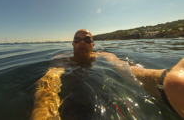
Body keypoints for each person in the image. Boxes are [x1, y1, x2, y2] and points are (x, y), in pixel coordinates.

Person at [31, 29, 184, 120]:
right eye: (77, 39)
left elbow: (123, 67)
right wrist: (43, 112)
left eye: (87, 39)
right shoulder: (61, 59)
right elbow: (49, 82)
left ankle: (168, 85)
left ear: (93, 44)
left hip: (100, 94)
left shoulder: (103, 55)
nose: (82, 42)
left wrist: (164, 78)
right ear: (72, 44)